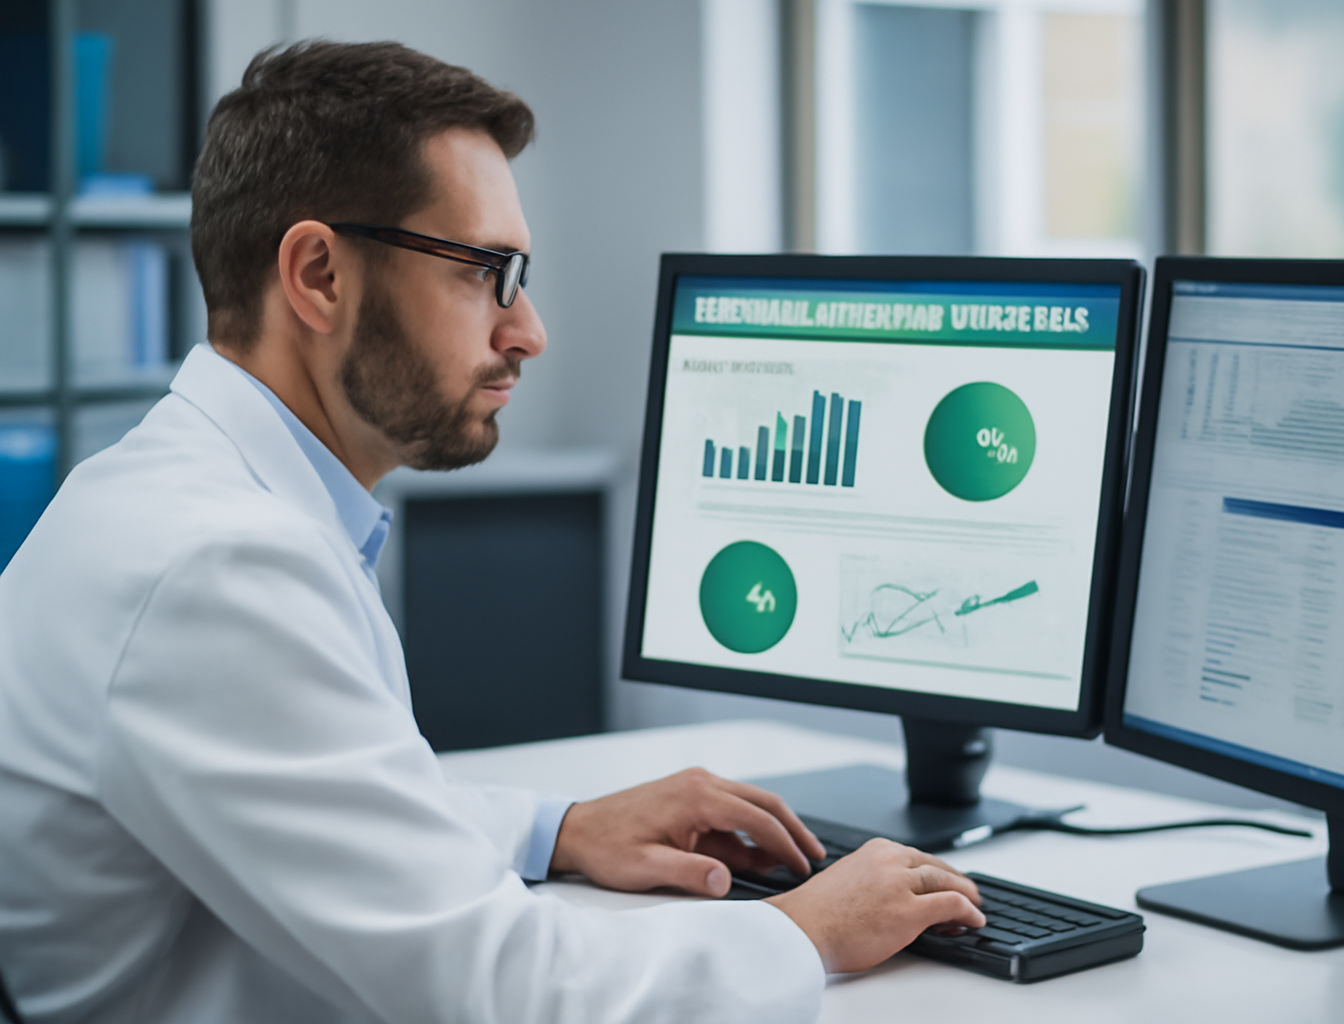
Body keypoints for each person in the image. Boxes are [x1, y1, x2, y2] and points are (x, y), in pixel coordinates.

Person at [0, 41, 984, 1024]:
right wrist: (807, 931)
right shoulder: (214, 565)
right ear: (318, 275)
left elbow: (328, 809)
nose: (528, 330)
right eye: (486, 271)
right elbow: (499, 994)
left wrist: (561, 829)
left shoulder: (184, 499)